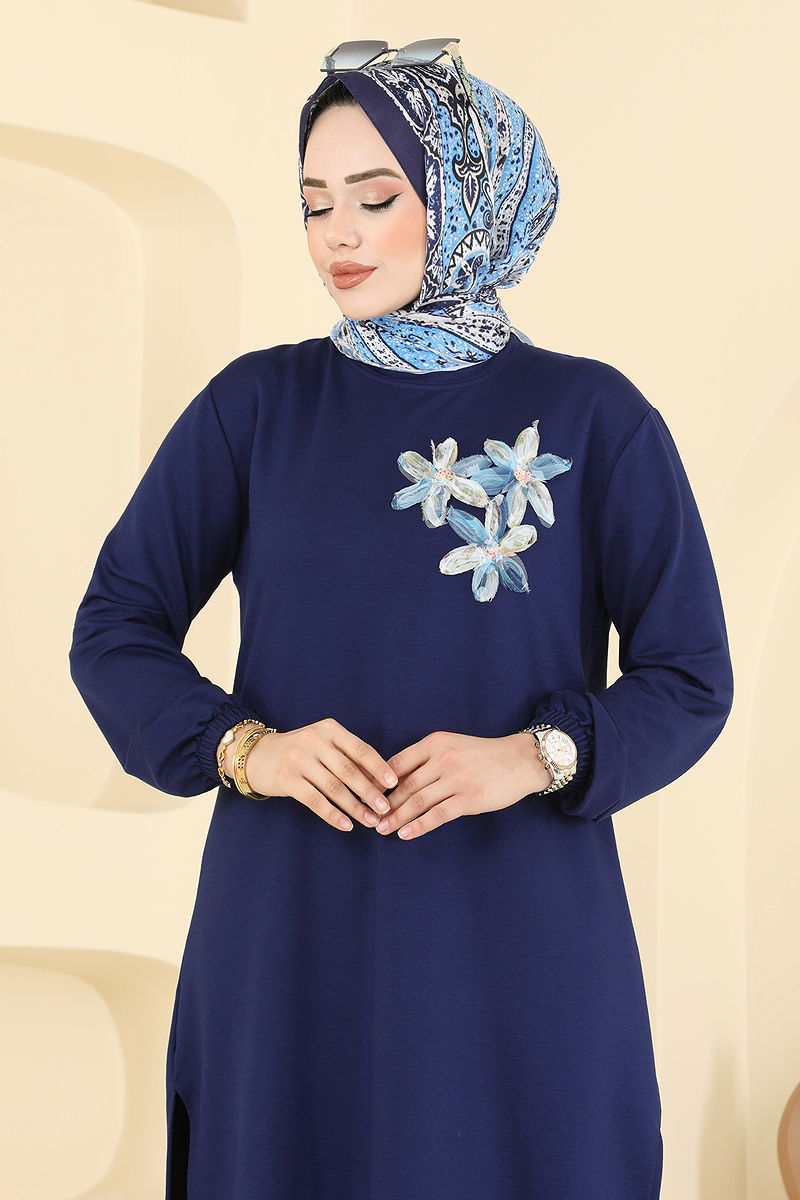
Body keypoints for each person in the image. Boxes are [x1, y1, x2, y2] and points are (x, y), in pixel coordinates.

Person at [68, 38, 734, 1200]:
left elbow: (687, 675)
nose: (337, 234)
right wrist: (249, 750)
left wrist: (534, 755)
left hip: (515, 928)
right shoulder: (256, 408)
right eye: (314, 202)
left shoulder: (593, 416)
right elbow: (115, 623)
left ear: (471, 200)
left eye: (376, 199)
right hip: (291, 927)